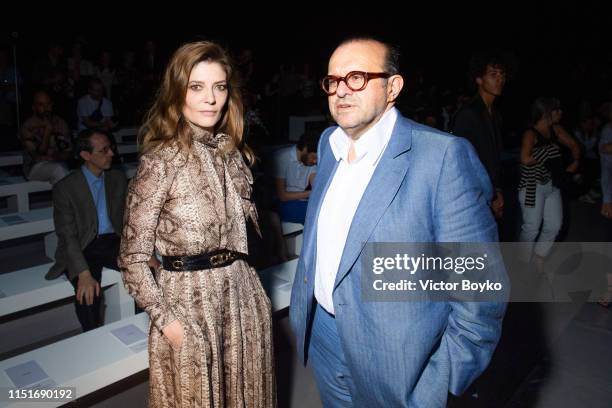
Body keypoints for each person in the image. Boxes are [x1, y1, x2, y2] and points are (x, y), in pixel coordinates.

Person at [289, 36, 507, 407]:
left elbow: (479, 290)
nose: (341, 90)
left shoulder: (442, 157)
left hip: (397, 360)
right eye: (333, 81)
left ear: (393, 86)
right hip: (323, 335)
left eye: (357, 77)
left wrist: (441, 382)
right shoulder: (328, 144)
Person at [118, 41, 275, 407]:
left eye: (219, 87)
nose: (211, 99)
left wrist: (257, 301)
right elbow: (132, 257)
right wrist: (170, 325)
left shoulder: (231, 153)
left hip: (242, 297)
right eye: (197, 87)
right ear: (177, 93)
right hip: (186, 303)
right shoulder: (161, 161)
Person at [45, 129, 128, 331]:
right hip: (83, 244)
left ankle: (147, 330)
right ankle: (93, 337)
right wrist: (83, 273)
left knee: (147, 273)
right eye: (104, 150)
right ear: (86, 155)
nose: (111, 154)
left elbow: (130, 220)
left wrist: (144, 255)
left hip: (112, 241)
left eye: (111, 148)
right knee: (88, 294)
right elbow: (67, 236)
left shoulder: (117, 178)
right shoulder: (65, 188)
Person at [517, 98, 578, 269]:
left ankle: (539, 256)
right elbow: (524, 158)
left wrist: (575, 160)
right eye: (556, 110)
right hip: (532, 186)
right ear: (546, 113)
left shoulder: (556, 129)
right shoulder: (531, 133)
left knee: (554, 225)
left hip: (552, 185)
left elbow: (574, 145)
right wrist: (549, 152)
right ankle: (521, 262)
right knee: (531, 228)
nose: (560, 113)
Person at [451, 51, 509, 219]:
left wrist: (497, 190)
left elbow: (494, 157)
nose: (500, 79)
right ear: (479, 79)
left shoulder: (495, 115)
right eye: (493, 74)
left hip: (490, 191)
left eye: (502, 75)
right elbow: (460, 160)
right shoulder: (468, 113)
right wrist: (485, 194)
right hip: (472, 193)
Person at [21, 90, 72, 184]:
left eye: (48, 104)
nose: (46, 108)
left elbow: (67, 152)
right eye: (41, 105)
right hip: (34, 168)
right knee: (58, 170)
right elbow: (36, 156)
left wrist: (57, 156)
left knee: (63, 170)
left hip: (58, 163)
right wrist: (48, 130)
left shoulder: (60, 123)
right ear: (34, 107)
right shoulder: (28, 126)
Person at [273, 130, 319, 224]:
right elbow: (282, 195)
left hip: (303, 202)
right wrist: (309, 193)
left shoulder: (310, 163)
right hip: (283, 203)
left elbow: (315, 184)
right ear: (305, 149)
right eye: (314, 157)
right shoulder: (282, 157)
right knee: (314, 217)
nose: (315, 161)